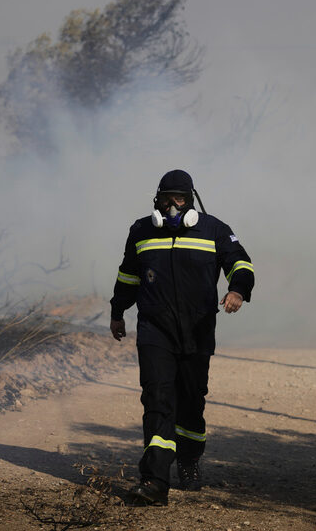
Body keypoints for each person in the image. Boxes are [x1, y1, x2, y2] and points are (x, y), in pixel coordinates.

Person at [109, 169, 254, 506]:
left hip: (198, 330)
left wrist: (237, 291)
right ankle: (155, 482)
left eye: (180, 199)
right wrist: (118, 311)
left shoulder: (215, 229)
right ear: (156, 199)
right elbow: (128, 274)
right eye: (166, 198)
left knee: (191, 402)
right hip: (154, 330)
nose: (172, 206)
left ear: (191, 201)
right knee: (157, 400)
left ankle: (188, 459)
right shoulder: (141, 230)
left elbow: (241, 264)